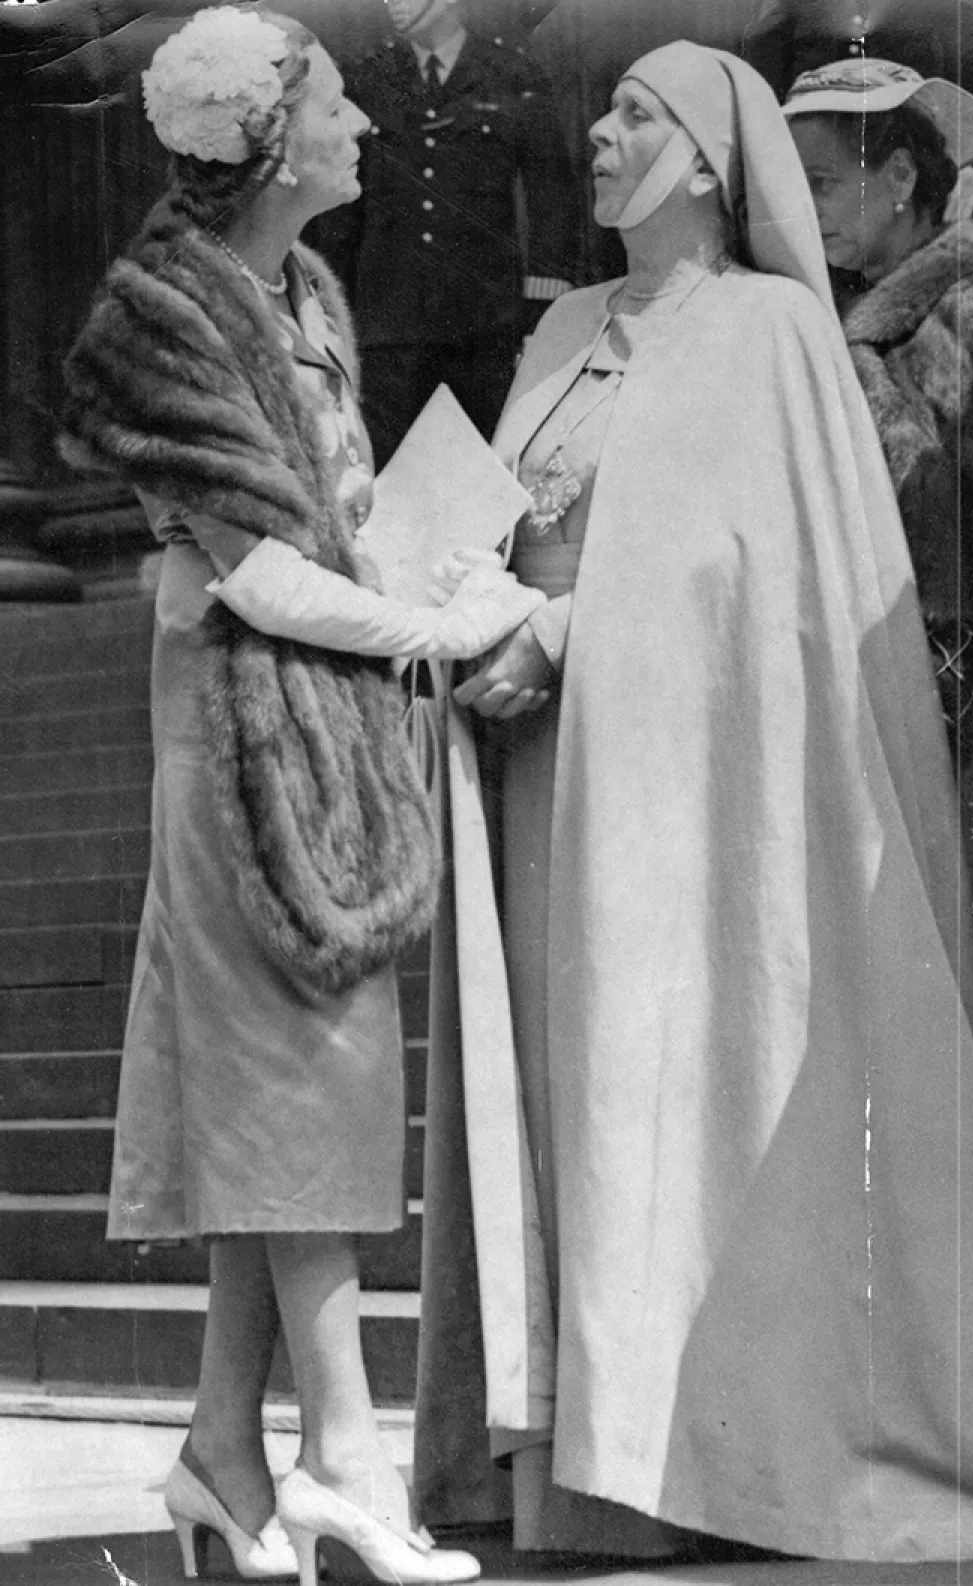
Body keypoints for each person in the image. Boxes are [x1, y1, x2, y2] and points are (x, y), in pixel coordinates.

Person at [413, 37, 973, 1565]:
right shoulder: (560, 327)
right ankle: (581, 1467)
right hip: (539, 771)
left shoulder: (776, 331)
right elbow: (507, 516)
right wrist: (453, 605)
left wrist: (564, 629)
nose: (599, 133)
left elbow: (761, 575)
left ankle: (708, 1451)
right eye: (605, 109)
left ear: (711, 160)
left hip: (694, 796)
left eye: (636, 114)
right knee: (570, 1104)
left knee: (664, 1091)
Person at [58, 8, 545, 1583]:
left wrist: (447, 572)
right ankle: (345, 1452)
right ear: (271, 145)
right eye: (335, 103)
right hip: (241, 745)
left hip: (326, 726)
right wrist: (429, 630)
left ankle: (221, 1453)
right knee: (296, 1074)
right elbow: (255, 572)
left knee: (299, 1080)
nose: (364, 125)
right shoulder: (161, 315)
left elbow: (343, 524)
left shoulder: (309, 292)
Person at [783, 57, 973, 1249]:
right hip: (872, 663)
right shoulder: (838, 319)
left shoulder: (971, 311)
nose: (807, 208)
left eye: (823, 182)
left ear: (901, 176)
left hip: (952, 661)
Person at [320, 0, 578, 459]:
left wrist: (540, 314)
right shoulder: (365, 79)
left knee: (482, 469)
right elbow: (340, 216)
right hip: (388, 330)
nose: (395, 5)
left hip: (484, 328)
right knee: (390, 471)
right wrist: (334, 314)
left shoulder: (512, 75)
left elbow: (552, 199)